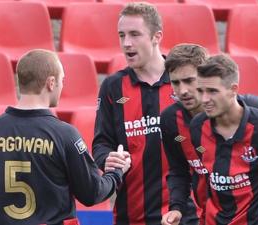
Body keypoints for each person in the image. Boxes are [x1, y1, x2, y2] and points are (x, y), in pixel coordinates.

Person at [0, 49, 131, 225]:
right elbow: (92, 193)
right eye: (62, 80)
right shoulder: (65, 135)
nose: (62, 85)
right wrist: (115, 173)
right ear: (51, 83)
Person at [160, 45, 258, 225]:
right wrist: (176, 207)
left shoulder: (252, 109)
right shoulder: (170, 120)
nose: (182, 91)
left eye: (190, 80)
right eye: (175, 82)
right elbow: (179, 171)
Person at [92, 2, 198, 225]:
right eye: (121, 35)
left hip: (186, 214)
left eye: (134, 34)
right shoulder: (113, 86)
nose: (126, 43)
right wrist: (107, 159)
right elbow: (102, 143)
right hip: (131, 215)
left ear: (156, 36)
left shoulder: (186, 82)